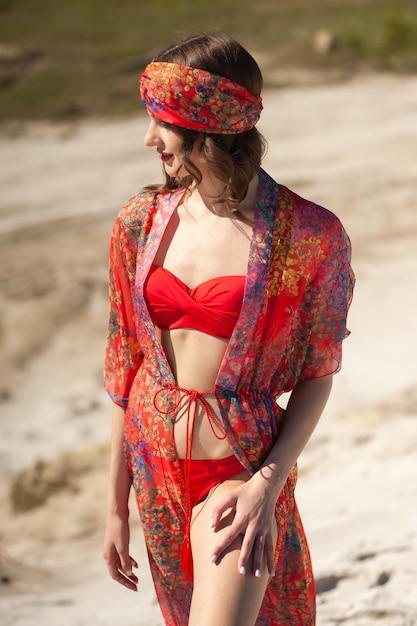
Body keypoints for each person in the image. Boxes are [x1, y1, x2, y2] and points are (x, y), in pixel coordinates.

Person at [102, 31, 354, 626]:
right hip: (155, 474)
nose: (149, 139)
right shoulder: (139, 222)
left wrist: (267, 485)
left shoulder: (310, 236)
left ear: (206, 125)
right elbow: (125, 362)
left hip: (239, 473)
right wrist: (115, 506)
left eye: (161, 122)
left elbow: (318, 376)